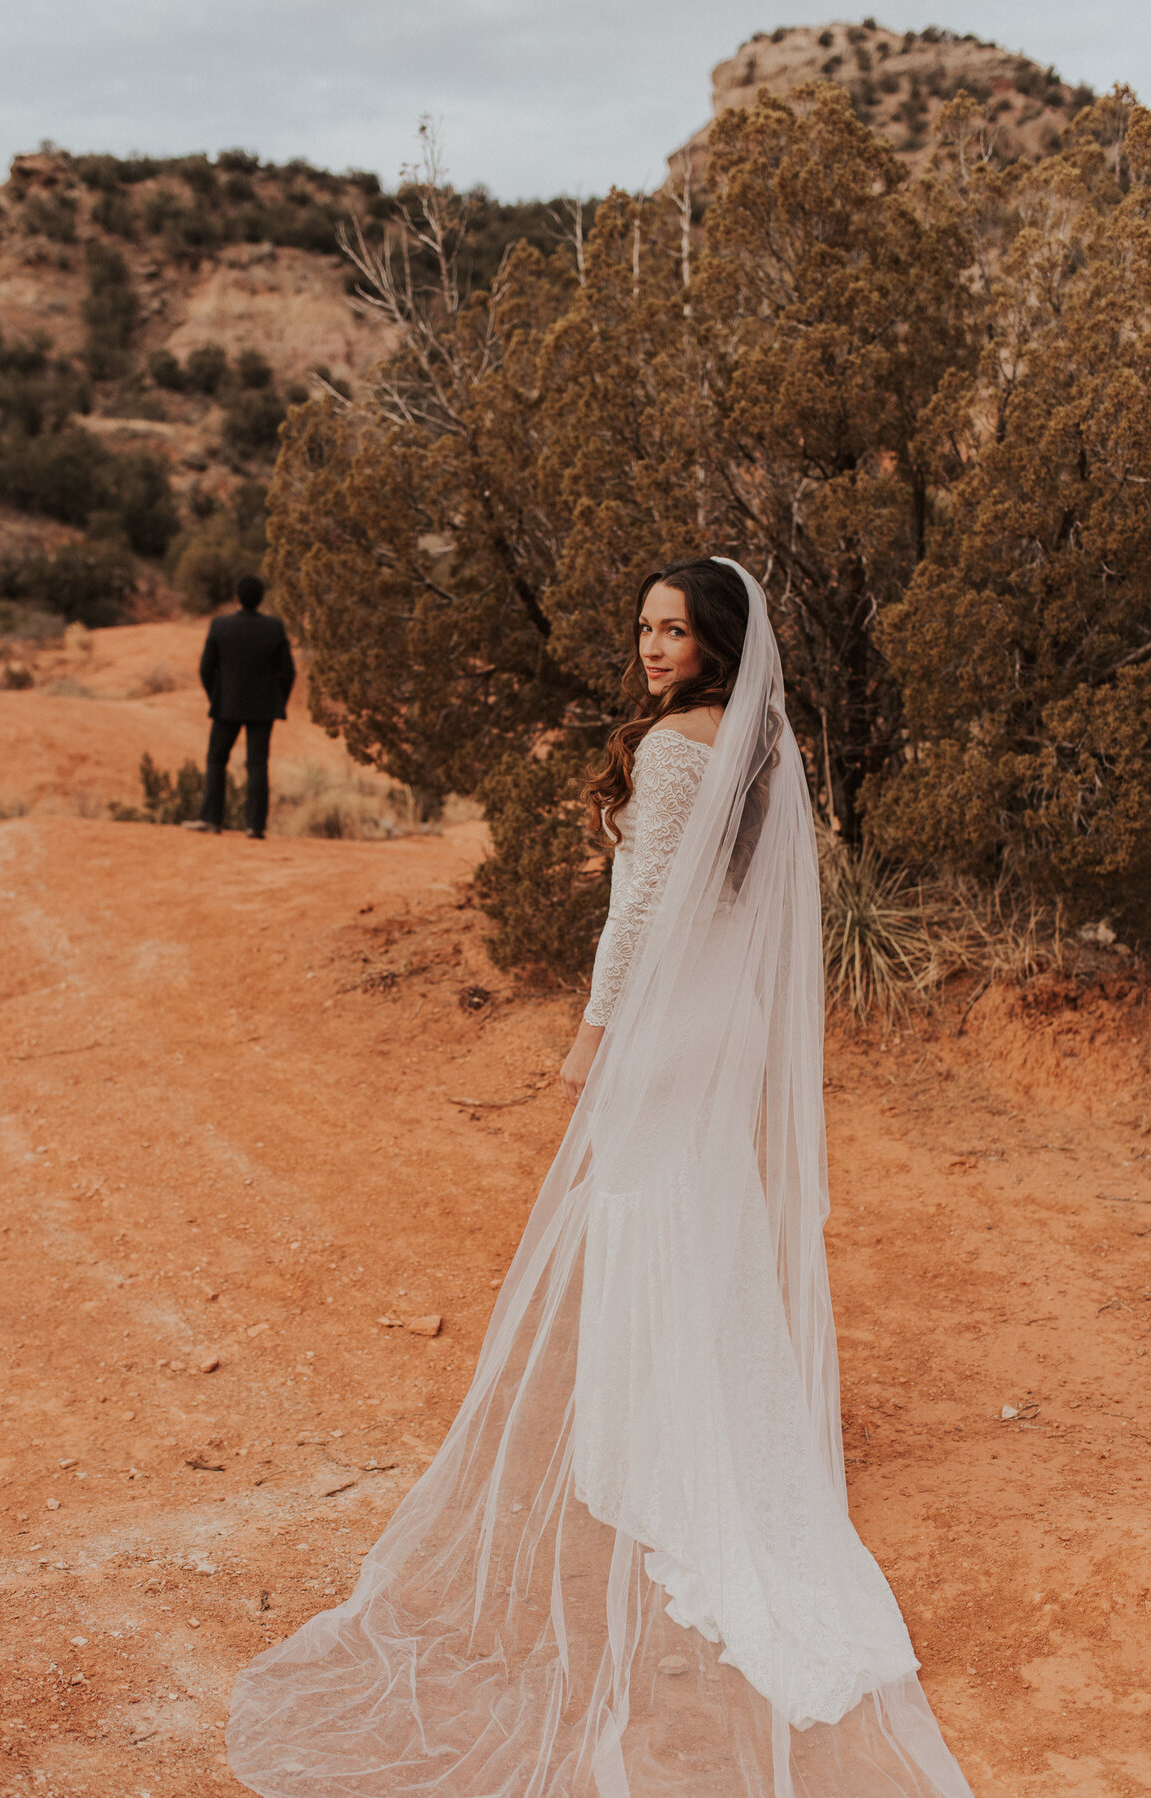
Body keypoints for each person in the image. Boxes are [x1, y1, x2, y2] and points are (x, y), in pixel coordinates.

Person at [226, 559, 975, 1797]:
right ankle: (691, 1436)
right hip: (720, 1022)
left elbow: (635, 913)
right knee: (698, 1213)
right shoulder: (760, 747)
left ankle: (661, 1447)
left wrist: (590, 1037)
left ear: (718, 642)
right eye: (643, 628)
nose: (651, 647)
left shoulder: (683, 752)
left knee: (647, 1210)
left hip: (663, 1024)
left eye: (674, 630)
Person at [186, 574, 295, 839]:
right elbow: (288, 672)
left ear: (236, 598)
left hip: (227, 705)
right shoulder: (274, 628)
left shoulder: (220, 626)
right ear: (261, 599)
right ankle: (255, 826)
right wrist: (277, 699)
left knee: (216, 759)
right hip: (263, 707)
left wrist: (216, 696)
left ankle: (211, 820)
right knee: (257, 764)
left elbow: (205, 668)